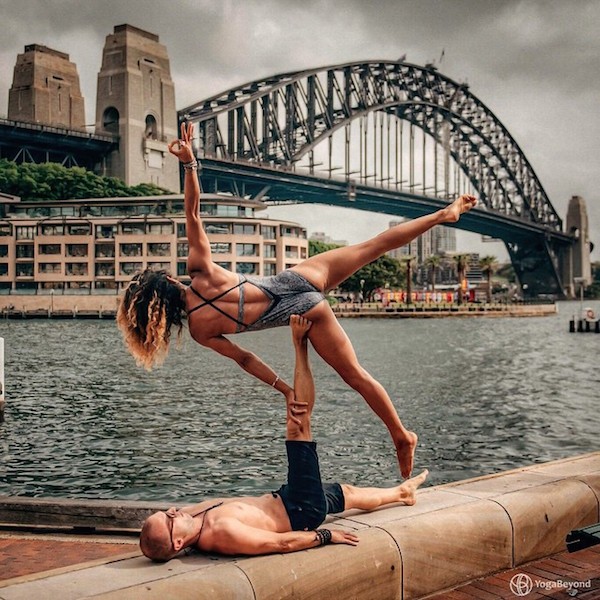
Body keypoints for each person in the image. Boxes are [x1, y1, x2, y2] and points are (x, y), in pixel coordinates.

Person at [117, 122, 477, 478]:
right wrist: (190, 163)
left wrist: (285, 389)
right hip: (296, 279)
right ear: (169, 280)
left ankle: (401, 435)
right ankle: (443, 215)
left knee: (355, 375)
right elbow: (193, 213)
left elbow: (245, 358)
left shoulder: (200, 330)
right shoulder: (200, 271)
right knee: (374, 245)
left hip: (305, 312)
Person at [139, 315, 429, 561]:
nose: (174, 512)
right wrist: (326, 536)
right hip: (301, 509)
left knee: (347, 493)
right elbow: (280, 544)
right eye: (169, 519)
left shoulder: (190, 518)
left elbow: (243, 358)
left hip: (288, 498)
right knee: (298, 424)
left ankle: (401, 494)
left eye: (167, 511)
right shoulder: (220, 534)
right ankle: (300, 343)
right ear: (178, 542)